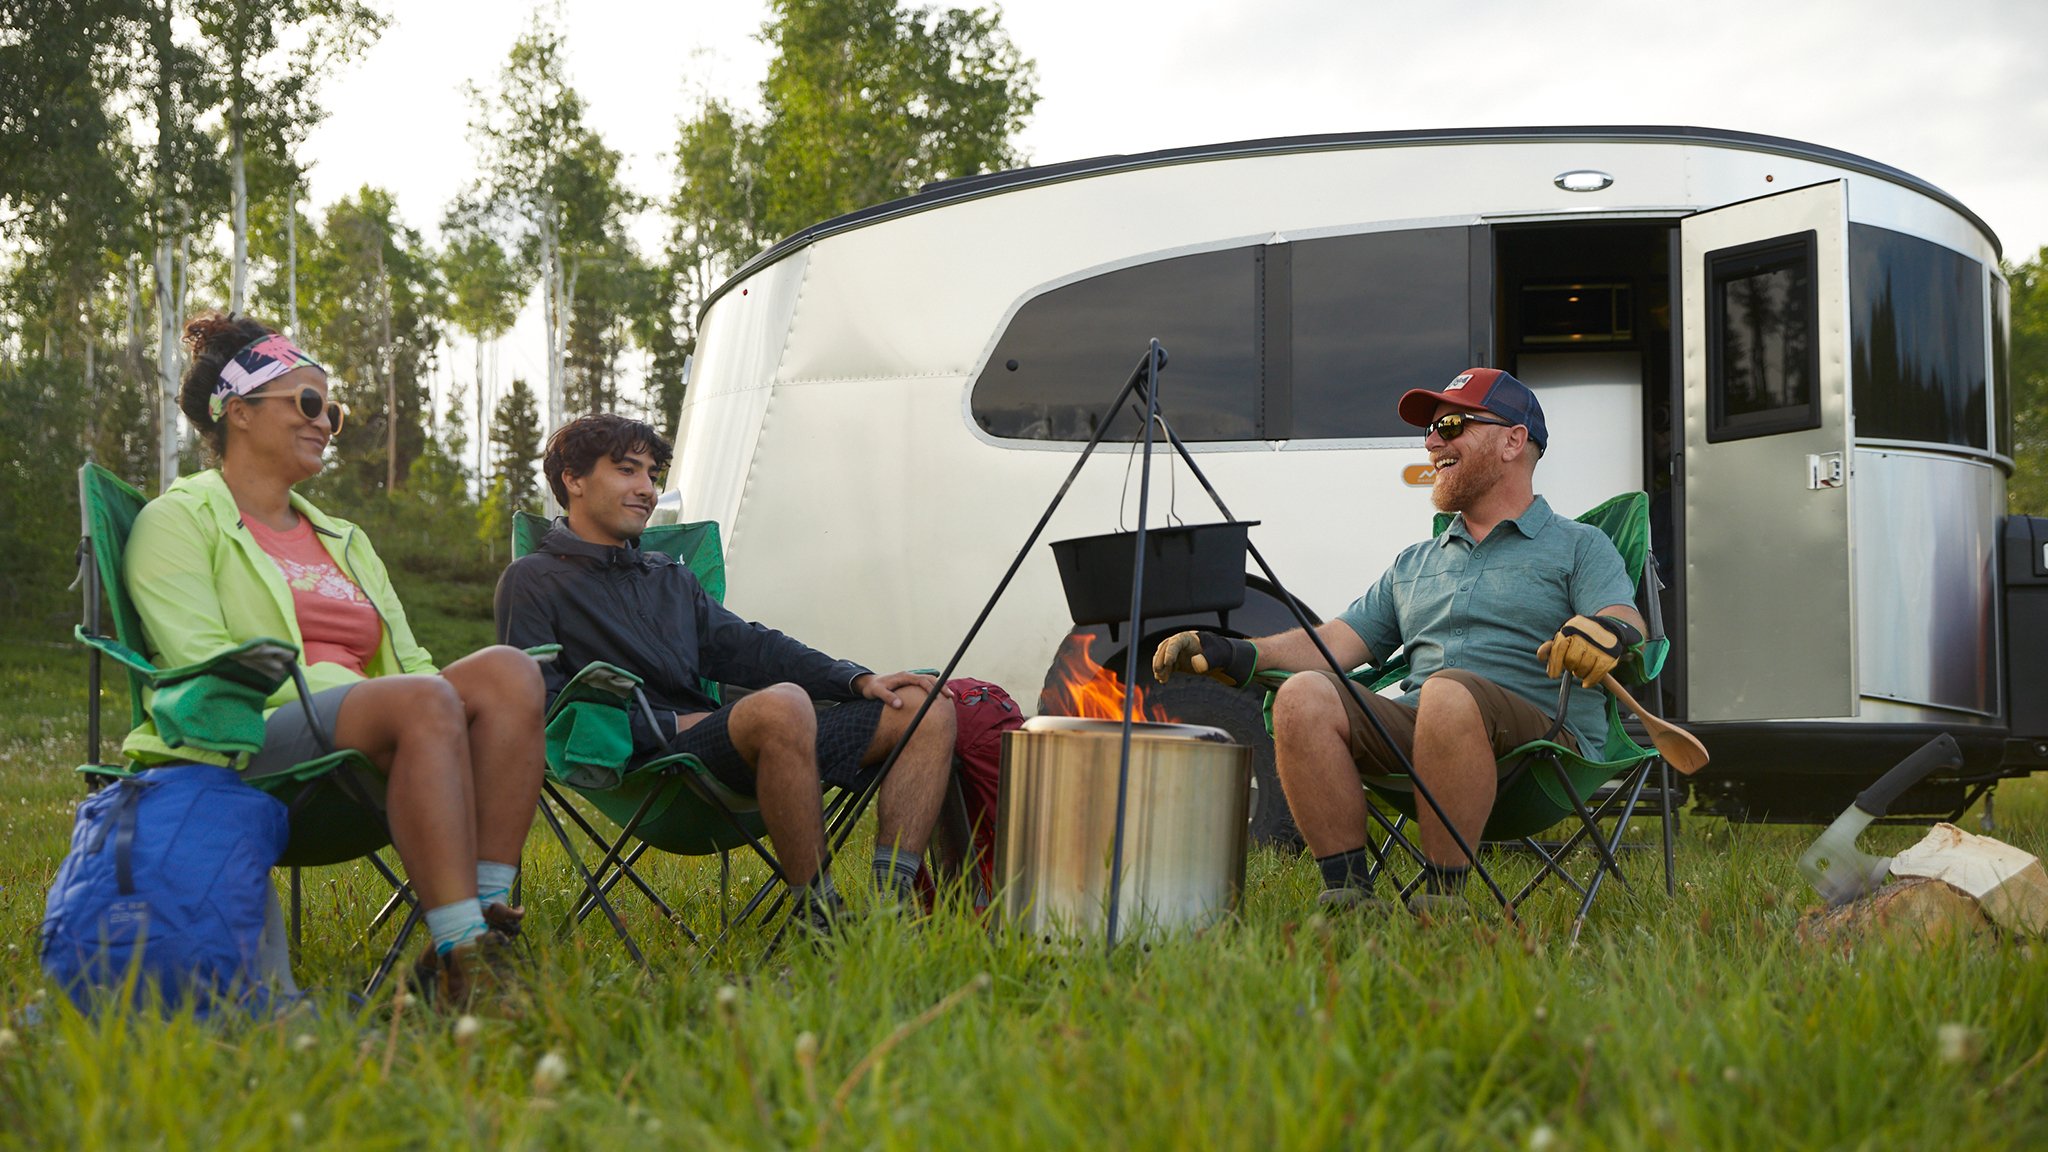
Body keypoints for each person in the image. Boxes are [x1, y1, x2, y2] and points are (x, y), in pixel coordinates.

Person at [124, 311, 547, 1003]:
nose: (325, 421)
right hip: (247, 743)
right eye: (309, 402)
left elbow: (410, 662)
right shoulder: (178, 520)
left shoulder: (343, 537)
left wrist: (428, 708)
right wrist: (372, 698)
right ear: (238, 412)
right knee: (421, 698)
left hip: (374, 734)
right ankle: (461, 952)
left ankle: (489, 922)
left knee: (509, 670)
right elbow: (206, 665)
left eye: (334, 412)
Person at [1152, 368, 1644, 913]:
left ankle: (1443, 902)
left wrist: (1607, 631)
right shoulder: (1414, 563)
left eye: (1452, 425)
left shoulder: (1578, 545)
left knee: (1448, 692)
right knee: (1303, 696)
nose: (1432, 442)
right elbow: (1336, 642)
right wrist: (1236, 651)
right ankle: (1348, 898)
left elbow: (1622, 614)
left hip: (1542, 749)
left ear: (1513, 440)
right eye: (1431, 429)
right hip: (1422, 737)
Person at [494, 413, 957, 930]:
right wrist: (673, 727)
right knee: (781, 705)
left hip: (737, 748)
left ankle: (891, 908)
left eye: (652, 474)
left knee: (922, 706)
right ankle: (819, 913)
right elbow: (539, 708)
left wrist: (856, 680)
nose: (647, 489)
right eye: (627, 471)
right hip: (656, 768)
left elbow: (752, 648)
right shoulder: (533, 580)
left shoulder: (669, 576)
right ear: (573, 480)